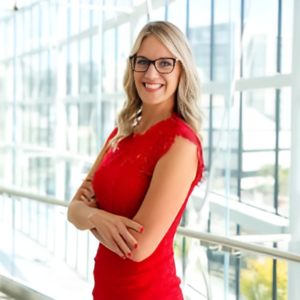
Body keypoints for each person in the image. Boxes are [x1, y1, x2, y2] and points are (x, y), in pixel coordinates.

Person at [67, 20, 205, 300]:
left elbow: (138, 247)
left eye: (165, 63)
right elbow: (73, 209)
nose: (151, 72)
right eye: (143, 61)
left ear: (182, 70)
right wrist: (95, 216)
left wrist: (89, 217)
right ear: (133, 67)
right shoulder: (120, 133)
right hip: (106, 290)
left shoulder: (181, 143)